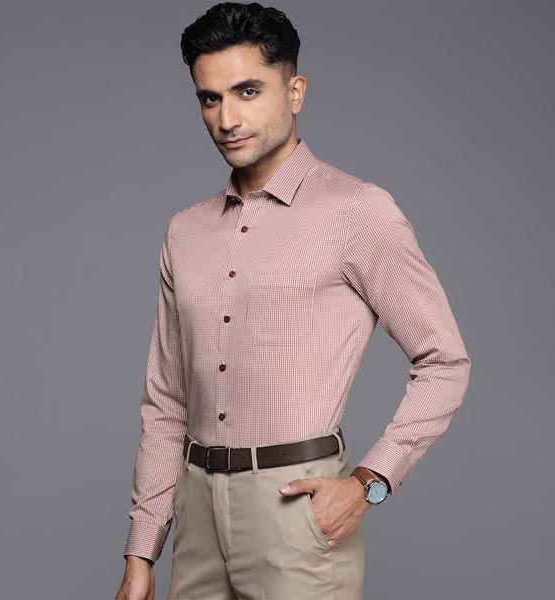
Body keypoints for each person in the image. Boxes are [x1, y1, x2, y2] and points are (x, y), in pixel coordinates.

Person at [114, 2, 471, 599]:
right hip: (194, 514)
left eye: (248, 91)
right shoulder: (185, 231)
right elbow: (167, 400)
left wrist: (370, 483)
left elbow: (445, 362)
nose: (227, 118)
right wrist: (141, 549)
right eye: (210, 98)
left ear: (295, 91)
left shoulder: (356, 212)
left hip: (296, 513)